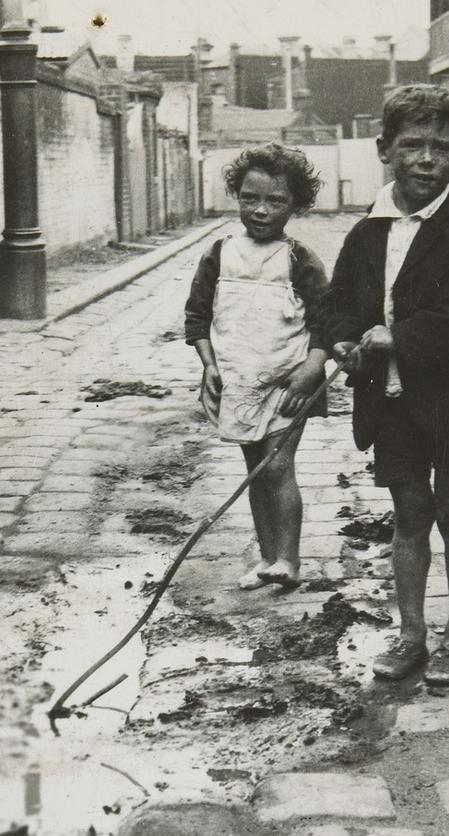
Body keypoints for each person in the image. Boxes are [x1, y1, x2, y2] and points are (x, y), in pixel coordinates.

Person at [320, 84, 449, 686]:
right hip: (393, 400)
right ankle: (410, 635)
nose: (427, 159)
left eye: (442, 148)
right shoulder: (365, 233)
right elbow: (340, 304)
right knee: (408, 515)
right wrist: (345, 340)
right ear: (385, 149)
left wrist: (394, 336)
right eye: (413, 145)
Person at [185, 143, 329, 591]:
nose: (261, 210)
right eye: (251, 198)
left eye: (275, 201)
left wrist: (313, 367)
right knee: (255, 468)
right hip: (239, 382)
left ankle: (289, 558)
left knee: (278, 467)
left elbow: (328, 321)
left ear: (296, 205)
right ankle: (267, 557)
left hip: (289, 382)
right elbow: (197, 316)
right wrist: (209, 364)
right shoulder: (220, 253)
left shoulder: (298, 260)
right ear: (237, 196)